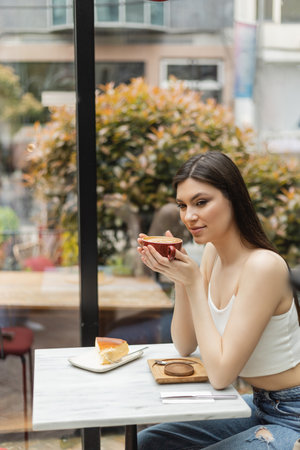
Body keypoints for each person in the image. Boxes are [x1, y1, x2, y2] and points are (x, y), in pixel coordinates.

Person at [137, 151, 300, 450]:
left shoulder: (263, 266)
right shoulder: (212, 254)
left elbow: (222, 374)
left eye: (201, 202)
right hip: (261, 404)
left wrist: (194, 283)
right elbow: (185, 345)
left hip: (294, 414)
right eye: (183, 206)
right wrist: (181, 281)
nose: (189, 216)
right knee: (147, 442)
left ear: (233, 199)